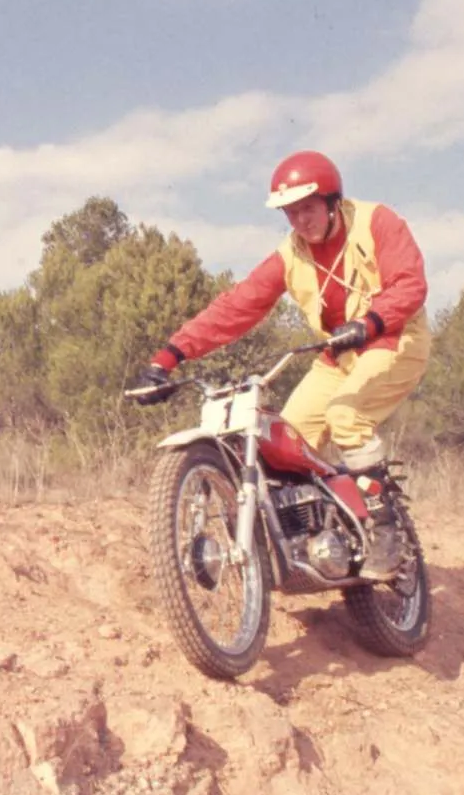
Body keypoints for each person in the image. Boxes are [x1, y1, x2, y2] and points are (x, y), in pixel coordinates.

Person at [131, 151, 432, 575]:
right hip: (338, 356)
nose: (300, 221)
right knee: (288, 443)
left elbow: (410, 283)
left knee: (345, 416)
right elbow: (237, 306)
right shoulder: (291, 254)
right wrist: (170, 356)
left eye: (308, 208)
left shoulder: (376, 221)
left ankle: (387, 531)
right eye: (291, 213)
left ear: (332, 201)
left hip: (393, 339)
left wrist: (369, 323)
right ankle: (329, 535)